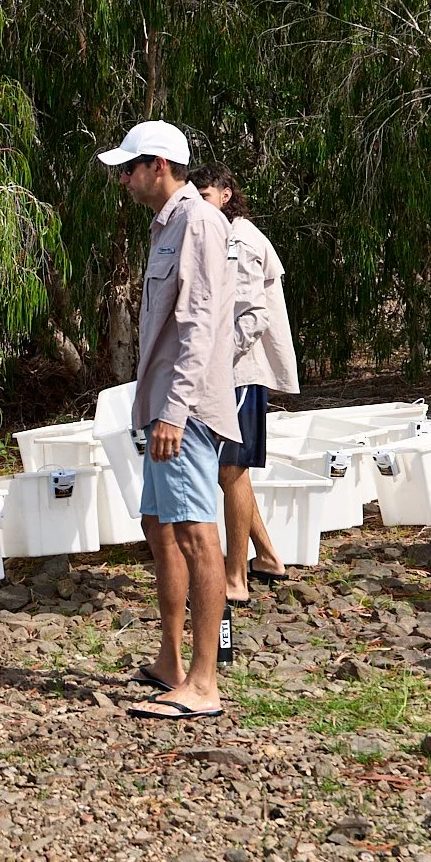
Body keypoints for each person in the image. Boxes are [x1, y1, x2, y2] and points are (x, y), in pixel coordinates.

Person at [99, 122, 239, 720]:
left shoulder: (199, 224)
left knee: (196, 534)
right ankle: (171, 662)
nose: (122, 180)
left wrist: (175, 413)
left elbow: (201, 326)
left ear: (158, 165)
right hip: (161, 406)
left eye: (128, 168)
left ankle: (204, 684)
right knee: (161, 527)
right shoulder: (168, 225)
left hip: (184, 411)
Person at [192, 165, 300, 603]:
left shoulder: (241, 240)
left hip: (238, 372)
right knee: (230, 473)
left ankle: (234, 578)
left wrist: (214, 361)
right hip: (230, 372)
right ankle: (269, 557)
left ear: (225, 193)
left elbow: (253, 315)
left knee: (230, 471)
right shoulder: (219, 235)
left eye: (204, 193)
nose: (198, 201)